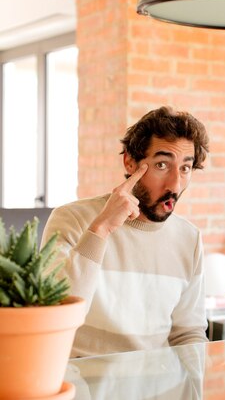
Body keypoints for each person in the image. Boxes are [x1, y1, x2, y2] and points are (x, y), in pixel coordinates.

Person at [42, 106, 210, 357]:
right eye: (162, 164)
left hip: (158, 389)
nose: (175, 184)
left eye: (185, 168)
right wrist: (100, 230)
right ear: (130, 162)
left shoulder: (189, 239)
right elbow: (56, 316)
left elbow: (188, 333)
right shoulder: (72, 220)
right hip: (84, 387)